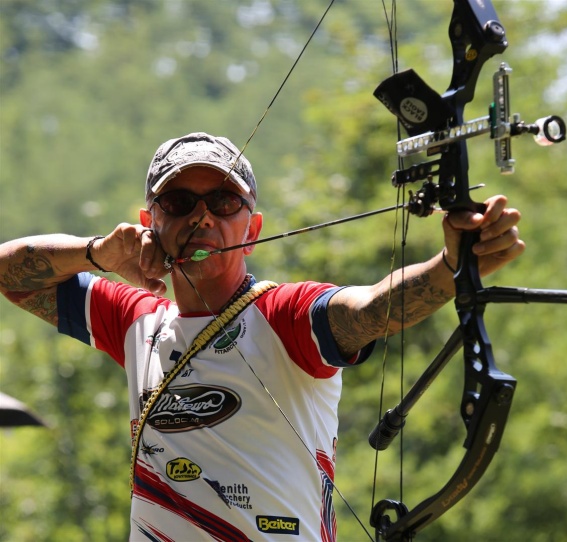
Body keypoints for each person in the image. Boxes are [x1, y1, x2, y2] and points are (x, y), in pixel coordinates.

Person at [0, 132, 525, 541]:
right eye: (179, 202)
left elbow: (372, 307)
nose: (202, 217)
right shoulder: (137, 320)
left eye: (225, 202)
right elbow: (9, 274)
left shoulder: (283, 315)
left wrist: (451, 265)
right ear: (149, 222)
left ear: (252, 229)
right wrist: (98, 253)